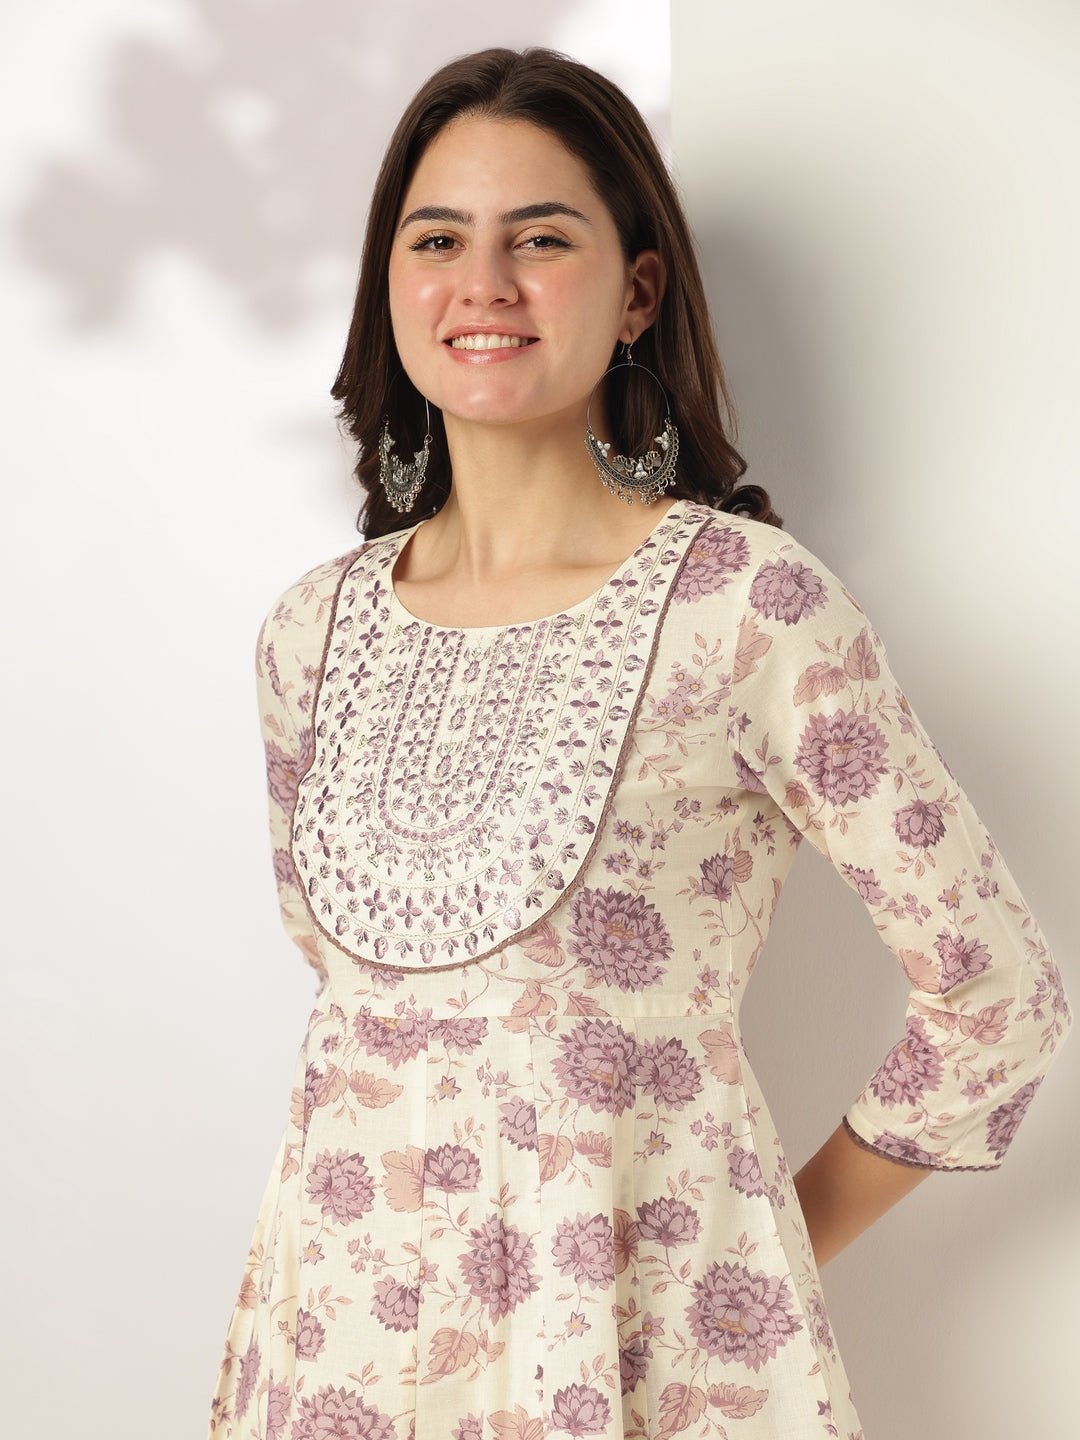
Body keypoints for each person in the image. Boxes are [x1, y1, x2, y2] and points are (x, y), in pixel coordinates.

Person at [208, 47, 1072, 1440]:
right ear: (389, 283)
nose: (484, 283)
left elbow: (997, 999)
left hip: (625, 1374)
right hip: (334, 1365)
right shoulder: (310, 634)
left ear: (639, 292)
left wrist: (747, 1262)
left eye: (541, 238)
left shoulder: (750, 608)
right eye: (438, 240)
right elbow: (355, 1003)